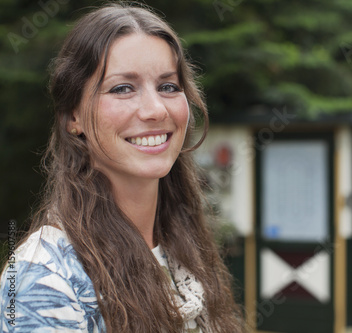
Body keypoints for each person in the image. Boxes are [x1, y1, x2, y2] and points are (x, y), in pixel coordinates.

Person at [0, 3, 244, 332]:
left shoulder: (183, 245)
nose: (155, 109)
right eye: (122, 88)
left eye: (168, 86)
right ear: (74, 117)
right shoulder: (45, 276)